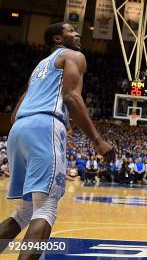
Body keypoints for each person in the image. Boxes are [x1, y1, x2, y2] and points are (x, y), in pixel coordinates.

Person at [0, 22, 114, 259]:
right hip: (44, 127)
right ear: (58, 40)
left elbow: (13, 114)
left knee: (23, 213)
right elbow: (72, 96)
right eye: (71, 30)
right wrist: (97, 141)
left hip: (18, 130)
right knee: (46, 208)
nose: (78, 33)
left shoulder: (39, 68)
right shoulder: (74, 56)